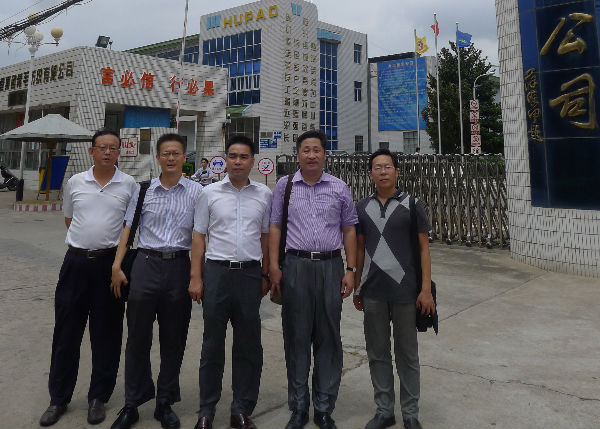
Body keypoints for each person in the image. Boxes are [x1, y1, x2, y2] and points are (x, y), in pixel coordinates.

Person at [39, 129, 137, 427]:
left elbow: (128, 227)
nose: (108, 152)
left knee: (107, 333)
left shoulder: (129, 185)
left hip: (111, 266)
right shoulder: (76, 182)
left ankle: (98, 397)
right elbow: (70, 219)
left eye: (113, 148)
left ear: (119, 152)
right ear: (92, 151)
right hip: (76, 263)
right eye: (102, 147)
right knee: (66, 332)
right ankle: (58, 398)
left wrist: (116, 263)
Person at [109, 133, 203, 429]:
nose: (171, 158)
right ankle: (132, 403)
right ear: (158, 157)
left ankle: (165, 402)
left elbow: (199, 236)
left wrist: (196, 275)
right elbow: (128, 228)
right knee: (137, 336)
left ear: (184, 157)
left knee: (173, 338)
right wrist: (116, 265)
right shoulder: (143, 190)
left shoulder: (197, 192)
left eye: (176, 153)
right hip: (145, 265)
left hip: (179, 267)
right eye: (166, 153)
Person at [269, 130, 358, 429]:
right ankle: (298, 407)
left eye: (316, 150)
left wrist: (351, 270)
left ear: (324, 154)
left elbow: (349, 229)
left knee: (328, 337)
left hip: (331, 267)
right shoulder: (285, 186)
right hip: (295, 266)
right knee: (296, 337)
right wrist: (274, 266)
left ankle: (323, 408)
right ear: (298, 155)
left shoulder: (339, 187)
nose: (311, 155)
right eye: (305, 150)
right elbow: (275, 227)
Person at [190, 135, 272, 429]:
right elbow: (199, 236)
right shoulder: (209, 193)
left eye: (243, 156)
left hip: (249, 275)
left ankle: (241, 409)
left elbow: (265, 237)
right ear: (225, 160)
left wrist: (265, 273)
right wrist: (196, 276)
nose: (238, 161)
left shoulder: (264, 194)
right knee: (212, 343)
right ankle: (206, 410)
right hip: (217, 273)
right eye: (233, 156)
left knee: (248, 345)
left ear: (252, 161)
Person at [353, 149, 435, 429]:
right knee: (377, 353)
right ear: (371, 174)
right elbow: (360, 249)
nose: (383, 171)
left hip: (405, 292)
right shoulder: (362, 207)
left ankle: (410, 413)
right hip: (373, 292)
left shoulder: (412, 204)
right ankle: (384, 410)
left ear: (396, 171)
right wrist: (357, 287)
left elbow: (424, 249)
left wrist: (425, 289)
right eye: (377, 167)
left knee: (407, 354)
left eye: (387, 166)